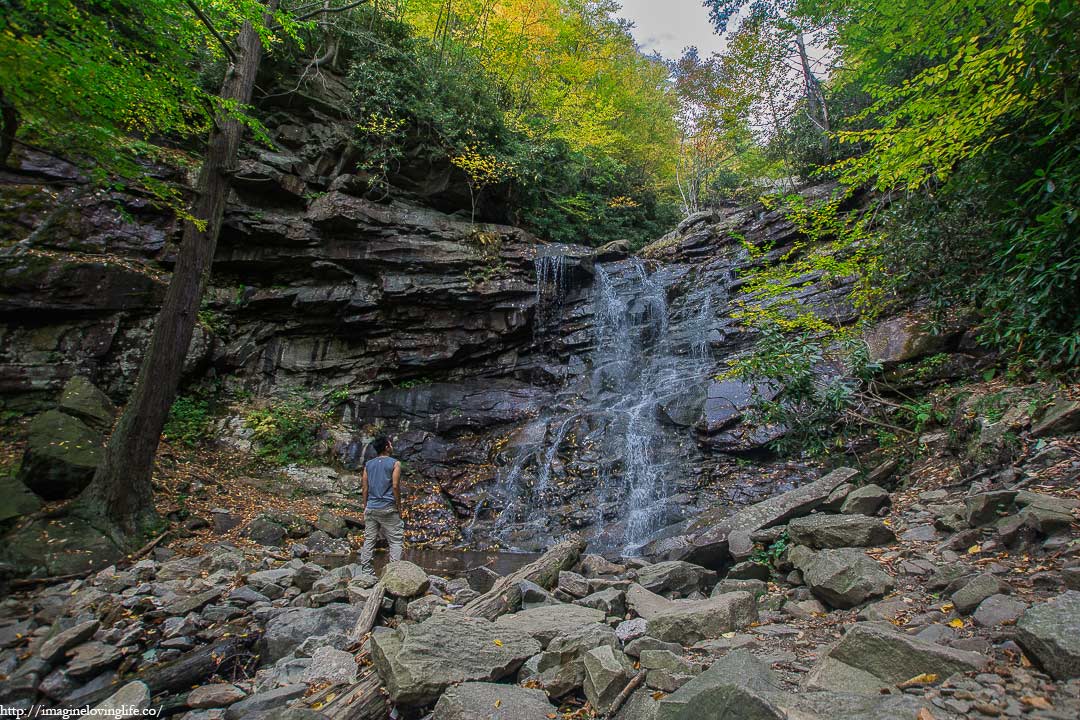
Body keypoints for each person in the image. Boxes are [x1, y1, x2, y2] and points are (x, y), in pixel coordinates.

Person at [359, 436, 404, 574]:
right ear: (386, 447)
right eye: (390, 444)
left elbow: (365, 488)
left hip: (372, 507)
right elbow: (395, 486)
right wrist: (399, 506)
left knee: (369, 540)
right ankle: (394, 573)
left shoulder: (368, 464)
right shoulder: (395, 463)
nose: (392, 446)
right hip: (388, 507)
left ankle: (366, 572)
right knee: (395, 541)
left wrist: (366, 506)